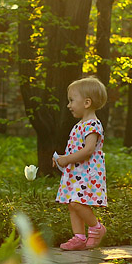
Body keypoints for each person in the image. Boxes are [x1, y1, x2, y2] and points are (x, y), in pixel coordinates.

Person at [53, 77, 108, 251]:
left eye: (71, 100)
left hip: (87, 173)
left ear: (86, 102)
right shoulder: (79, 125)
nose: (69, 105)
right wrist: (61, 158)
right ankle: (79, 237)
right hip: (76, 171)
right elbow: (74, 149)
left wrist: (67, 159)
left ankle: (97, 228)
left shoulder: (93, 125)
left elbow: (88, 150)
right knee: (72, 203)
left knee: (78, 203)